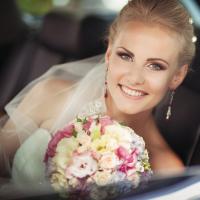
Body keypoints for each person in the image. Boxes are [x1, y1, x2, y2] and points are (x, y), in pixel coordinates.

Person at [0, 0, 196, 187]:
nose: (135, 78)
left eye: (155, 65)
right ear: (109, 54)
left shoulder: (167, 170)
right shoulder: (50, 94)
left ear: (177, 76)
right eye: (126, 56)